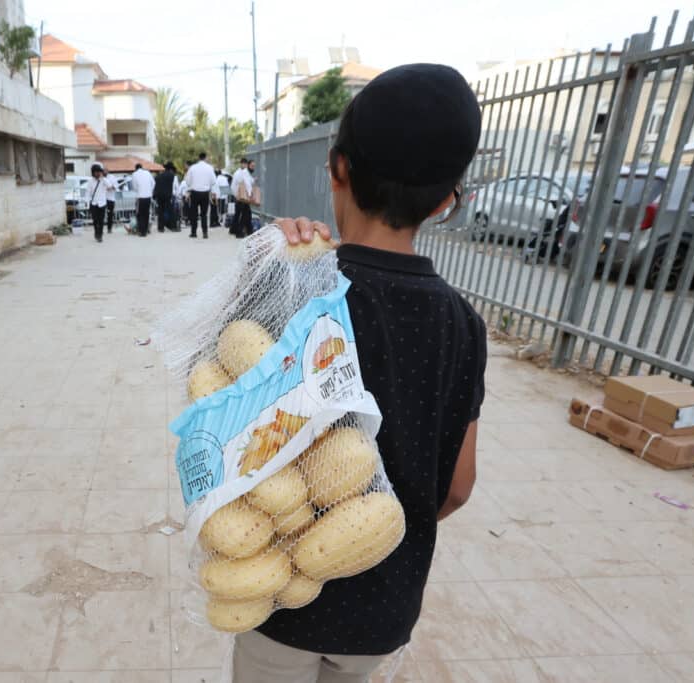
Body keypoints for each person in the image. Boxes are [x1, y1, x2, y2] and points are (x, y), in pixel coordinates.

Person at [233, 64, 487, 683]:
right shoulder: (463, 324)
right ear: (449, 197)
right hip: (384, 610)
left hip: (280, 598)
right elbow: (455, 488)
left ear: (337, 167)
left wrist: (269, 263)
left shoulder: (290, 283)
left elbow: (224, 430)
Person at [183, 151, 217, 238]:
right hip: (205, 193)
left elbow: (187, 181)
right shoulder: (209, 168)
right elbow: (213, 181)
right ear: (205, 158)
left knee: (194, 213)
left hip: (194, 193)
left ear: (199, 158)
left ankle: (193, 232)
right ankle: (205, 233)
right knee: (204, 214)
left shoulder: (193, 168)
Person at [230, 157, 254, 238]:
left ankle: (236, 230)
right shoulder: (242, 173)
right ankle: (240, 232)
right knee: (245, 215)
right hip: (242, 197)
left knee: (242, 214)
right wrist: (250, 194)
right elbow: (247, 185)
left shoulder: (240, 172)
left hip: (240, 197)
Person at [85, 163, 108, 243]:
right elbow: (87, 193)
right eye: (96, 172)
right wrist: (87, 204)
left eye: (99, 172)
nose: (98, 173)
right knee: (95, 220)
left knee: (101, 220)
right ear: (93, 172)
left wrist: (103, 178)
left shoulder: (103, 180)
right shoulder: (90, 182)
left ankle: (100, 235)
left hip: (102, 203)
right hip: (94, 204)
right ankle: (96, 232)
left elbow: (109, 185)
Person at [131, 163, 156, 236]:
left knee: (140, 214)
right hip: (148, 197)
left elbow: (134, 187)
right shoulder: (148, 173)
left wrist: (139, 190)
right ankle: (145, 230)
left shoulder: (134, 174)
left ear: (136, 168)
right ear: (141, 167)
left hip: (140, 197)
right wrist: (149, 191)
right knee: (146, 213)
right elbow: (153, 183)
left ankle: (141, 231)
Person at [154, 162, 176, 232]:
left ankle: (161, 228)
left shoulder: (158, 176)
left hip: (159, 195)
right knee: (170, 211)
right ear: (170, 168)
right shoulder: (172, 175)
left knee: (160, 211)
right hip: (168, 195)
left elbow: (156, 185)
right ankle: (172, 226)